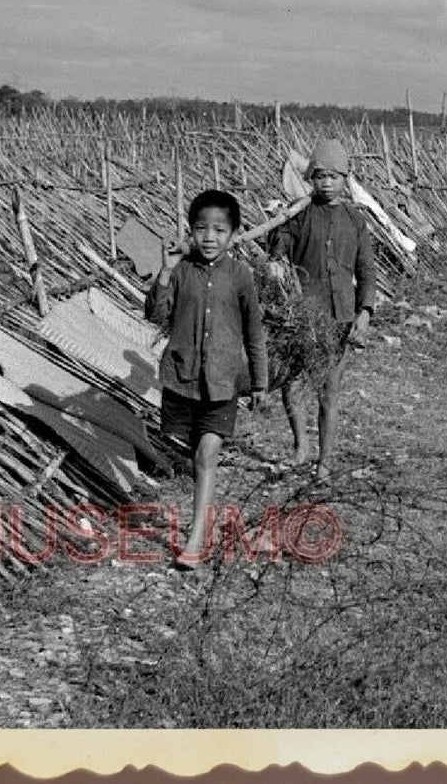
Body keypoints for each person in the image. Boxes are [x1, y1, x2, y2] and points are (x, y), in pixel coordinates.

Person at [145, 189, 268, 570]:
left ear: (233, 234)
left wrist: (260, 382)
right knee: (192, 449)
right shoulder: (181, 272)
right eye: (201, 229)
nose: (209, 238)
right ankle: (205, 518)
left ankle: (197, 538)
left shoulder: (241, 276)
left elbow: (254, 332)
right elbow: (155, 315)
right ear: (190, 231)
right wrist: (164, 272)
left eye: (219, 230)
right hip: (183, 378)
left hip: (222, 381)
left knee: (206, 453)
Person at [267, 138, 375, 483]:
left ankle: (324, 462)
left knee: (330, 391)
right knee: (292, 384)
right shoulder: (299, 215)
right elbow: (278, 250)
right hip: (301, 316)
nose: (326, 183)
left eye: (334, 176)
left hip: (339, 317)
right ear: (311, 178)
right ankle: (301, 448)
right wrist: (277, 246)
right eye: (320, 176)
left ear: (346, 179)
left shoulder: (355, 221)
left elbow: (366, 271)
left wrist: (365, 312)